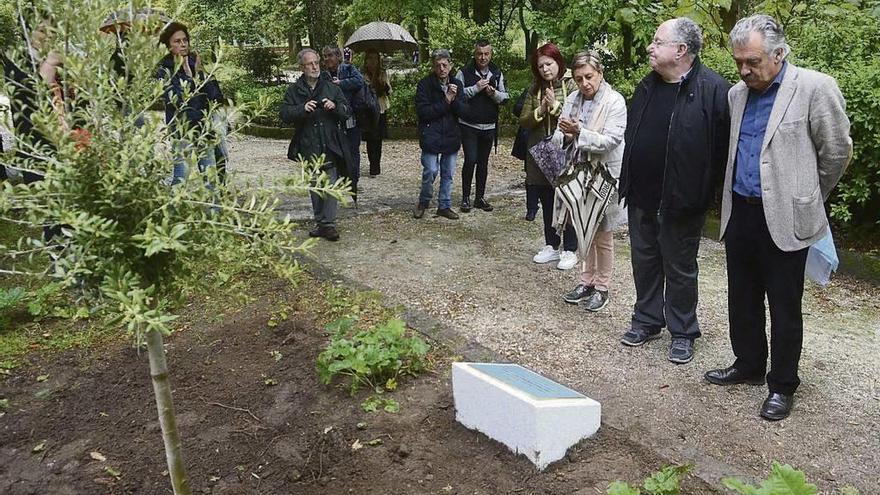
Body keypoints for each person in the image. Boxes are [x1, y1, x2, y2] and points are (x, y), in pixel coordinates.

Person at [705, 15, 852, 421]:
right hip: (741, 212)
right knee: (742, 296)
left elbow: (837, 151)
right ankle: (748, 364)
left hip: (787, 217)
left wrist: (808, 196)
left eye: (751, 61)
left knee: (784, 305)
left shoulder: (814, 88)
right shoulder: (737, 94)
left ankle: (783, 384)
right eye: (738, 61)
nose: (743, 70)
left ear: (779, 53)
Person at [617, 18, 730, 363]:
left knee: (680, 268)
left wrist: (704, 195)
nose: (650, 47)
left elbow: (723, 151)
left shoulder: (714, 90)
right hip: (641, 195)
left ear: (681, 50)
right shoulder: (647, 86)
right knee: (645, 261)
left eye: (657, 41)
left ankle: (682, 330)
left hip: (683, 201)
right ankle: (647, 320)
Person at [554, 51, 627, 312]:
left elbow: (611, 140)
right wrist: (563, 134)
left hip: (605, 174)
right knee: (583, 229)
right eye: (578, 78)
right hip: (577, 174)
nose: (584, 83)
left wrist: (579, 132)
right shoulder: (572, 98)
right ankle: (586, 281)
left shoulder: (615, 101)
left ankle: (602, 287)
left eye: (589, 77)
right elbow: (558, 136)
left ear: (600, 74)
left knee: (603, 233)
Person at [280, 48, 354, 242]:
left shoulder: (331, 87)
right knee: (315, 186)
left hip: (330, 143)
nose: (315, 67)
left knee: (330, 184)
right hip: (308, 145)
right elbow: (284, 114)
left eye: (316, 63)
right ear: (301, 67)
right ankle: (320, 222)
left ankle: (328, 224)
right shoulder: (294, 91)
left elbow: (347, 110)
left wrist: (335, 107)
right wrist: (301, 109)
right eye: (310, 64)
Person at [519, 43, 578, 271]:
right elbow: (524, 120)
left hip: (566, 151)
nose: (545, 69)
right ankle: (551, 244)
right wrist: (541, 110)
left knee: (567, 198)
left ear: (558, 63)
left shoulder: (572, 84)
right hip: (541, 153)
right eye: (540, 66)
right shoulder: (535, 89)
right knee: (546, 199)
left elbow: (575, 116)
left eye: (549, 64)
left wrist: (554, 106)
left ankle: (570, 249)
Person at [157, 22, 224, 186]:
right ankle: (173, 210)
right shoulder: (165, 69)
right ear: (168, 46)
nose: (183, 44)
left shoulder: (196, 62)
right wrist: (188, 76)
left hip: (204, 127)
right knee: (181, 177)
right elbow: (178, 99)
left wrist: (199, 73)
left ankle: (215, 209)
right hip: (182, 128)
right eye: (177, 41)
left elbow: (216, 96)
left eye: (185, 40)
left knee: (211, 177)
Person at [454, 40, 509, 213]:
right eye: (479, 53)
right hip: (469, 124)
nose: (483, 57)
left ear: (491, 54)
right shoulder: (463, 72)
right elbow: (456, 95)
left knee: (483, 163)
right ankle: (465, 198)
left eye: (486, 54)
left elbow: (505, 97)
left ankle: (479, 197)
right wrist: (476, 88)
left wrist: (494, 94)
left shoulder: (497, 72)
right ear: (474, 53)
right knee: (470, 160)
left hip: (489, 125)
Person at [413, 49, 468, 220]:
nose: (442, 68)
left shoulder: (457, 84)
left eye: (445, 65)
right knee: (430, 170)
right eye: (438, 66)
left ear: (450, 65)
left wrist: (454, 98)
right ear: (433, 67)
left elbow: (465, 111)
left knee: (448, 173)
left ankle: (444, 205)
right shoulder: (425, 84)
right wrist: (446, 100)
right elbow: (424, 112)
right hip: (431, 134)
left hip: (451, 135)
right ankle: (424, 201)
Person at [322, 45, 365, 195]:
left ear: (338, 57)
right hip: (333, 119)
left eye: (330, 56)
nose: (327, 59)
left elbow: (359, 81)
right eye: (325, 56)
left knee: (352, 150)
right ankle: (340, 179)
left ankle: (354, 179)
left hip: (351, 116)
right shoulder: (324, 75)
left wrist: (341, 83)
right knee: (336, 151)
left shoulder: (348, 69)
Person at [361, 51, 390, 178]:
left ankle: (376, 166)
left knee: (378, 139)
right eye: (370, 58)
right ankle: (372, 164)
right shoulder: (362, 74)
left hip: (381, 108)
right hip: (368, 110)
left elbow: (388, 90)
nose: (373, 61)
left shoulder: (383, 73)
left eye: (375, 58)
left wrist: (383, 85)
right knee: (370, 138)